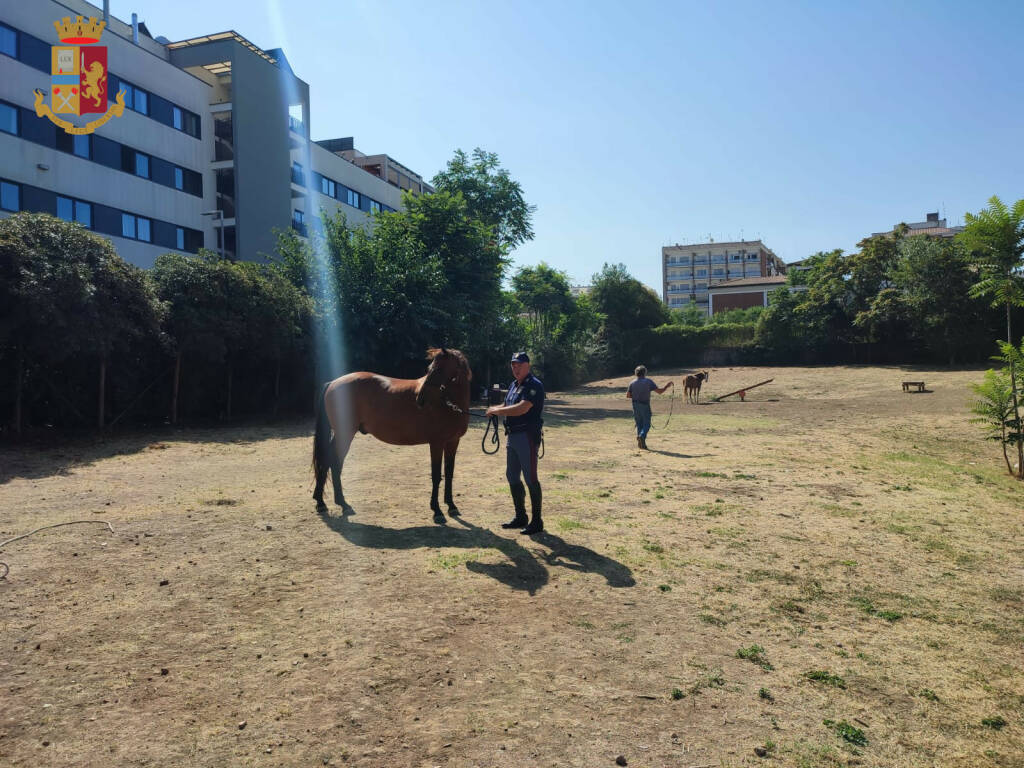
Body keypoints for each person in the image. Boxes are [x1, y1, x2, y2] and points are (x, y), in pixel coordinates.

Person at [485, 352, 545, 534]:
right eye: (513, 365)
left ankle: (536, 521)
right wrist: (495, 409)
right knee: (512, 476)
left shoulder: (534, 385)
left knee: (530, 478)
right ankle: (521, 516)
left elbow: (522, 408)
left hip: (526, 436)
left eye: (519, 364)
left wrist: (498, 411)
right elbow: (507, 404)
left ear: (528, 365)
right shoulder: (513, 385)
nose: (515, 368)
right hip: (512, 437)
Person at [626, 365, 673, 450]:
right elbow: (659, 392)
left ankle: (641, 444)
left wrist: (637, 395)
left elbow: (628, 395)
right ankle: (641, 436)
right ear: (645, 373)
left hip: (635, 405)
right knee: (646, 424)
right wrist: (667, 386)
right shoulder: (648, 382)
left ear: (636, 373)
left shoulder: (632, 383)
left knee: (639, 424)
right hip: (645, 405)